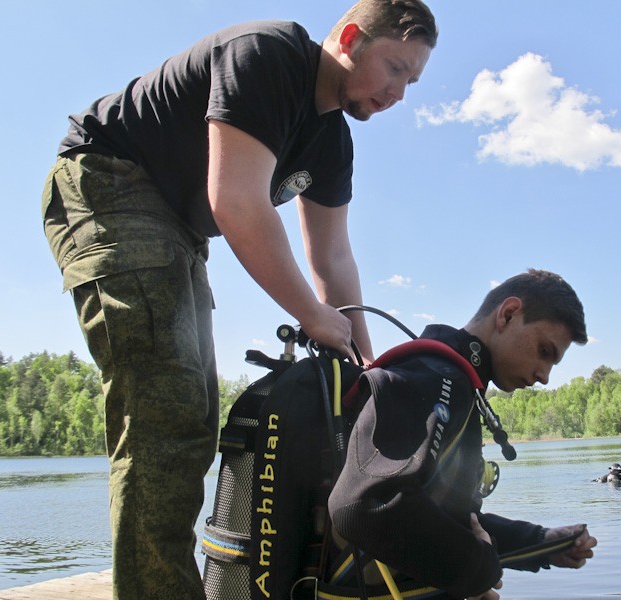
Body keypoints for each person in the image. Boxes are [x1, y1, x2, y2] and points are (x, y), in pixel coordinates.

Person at [40, 2, 437, 599]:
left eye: (412, 80)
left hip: (178, 229)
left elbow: (332, 260)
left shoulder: (331, 143)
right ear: (351, 38)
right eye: (396, 68)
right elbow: (238, 202)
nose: (400, 93)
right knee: (165, 416)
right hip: (109, 182)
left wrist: (365, 373)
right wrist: (312, 316)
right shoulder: (267, 53)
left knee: (195, 413)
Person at [328, 269, 598, 600]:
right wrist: (478, 570)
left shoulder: (456, 383)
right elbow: (363, 504)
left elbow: (450, 520)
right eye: (545, 351)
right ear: (508, 314)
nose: (544, 376)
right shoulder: (435, 377)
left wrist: (539, 543)